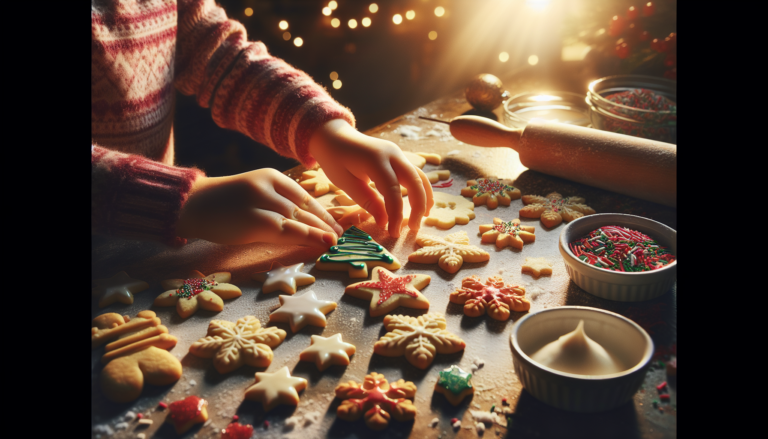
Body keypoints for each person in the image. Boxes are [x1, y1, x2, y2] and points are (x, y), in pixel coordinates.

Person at [92, 0, 433, 250]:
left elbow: (220, 57)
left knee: (189, 290)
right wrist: (184, 201)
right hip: (120, 253)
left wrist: (323, 127)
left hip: (156, 252)